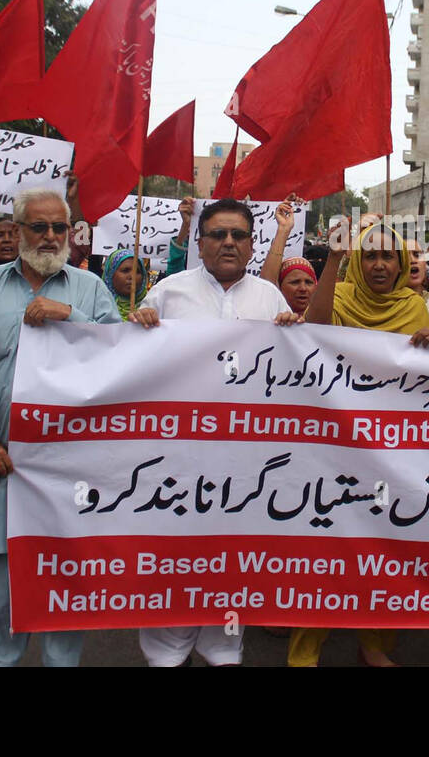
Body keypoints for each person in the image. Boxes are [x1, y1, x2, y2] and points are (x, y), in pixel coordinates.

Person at [0, 187, 127, 667]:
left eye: (59, 228)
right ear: (17, 231)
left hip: (66, 473)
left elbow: (120, 355)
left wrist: (70, 316)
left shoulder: (88, 288)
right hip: (0, 464)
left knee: (63, 591)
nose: (50, 237)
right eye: (39, 227)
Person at [127, 198, 299, 667]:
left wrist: (292, 333)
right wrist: (138, 325)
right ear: (199, 243)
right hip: (177, 455)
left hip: (246, 461)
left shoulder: (270, 298)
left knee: (233, 549)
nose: (228, 243)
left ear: (250, 244)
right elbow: (131, 362)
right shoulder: (167, 293)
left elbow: (293, 372)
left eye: (239, 235)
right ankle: (166, 647)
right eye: (218, 234)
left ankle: (224, 644)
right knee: (174, 549)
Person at [296, 219, 429, 667]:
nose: (380, 265)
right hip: (333, 445)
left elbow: (427, 377)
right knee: (325, 551)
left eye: (388, 257)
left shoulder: (414, 307)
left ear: (401, 264)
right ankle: (305, 650)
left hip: (389, 452)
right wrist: (335, 259)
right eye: (370, 256)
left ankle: (372, 643)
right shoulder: (338, 296)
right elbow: (316, 327)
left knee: (386, 549)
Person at [101, 248, 149, 319]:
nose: (132, 276)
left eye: (137, 271)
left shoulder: (152, 305)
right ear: (110, 274)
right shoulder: (97, 308)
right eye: (125, 270)